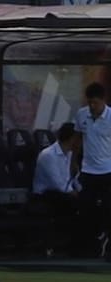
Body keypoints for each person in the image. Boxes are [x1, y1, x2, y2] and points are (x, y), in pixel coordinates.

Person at [73, 82, 111, 261]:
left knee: (108, 207)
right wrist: (74, 162)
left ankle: (106, 244)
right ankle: (88, 246)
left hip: (108, 170)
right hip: (88, 170)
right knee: (85, 209)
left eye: (95, 102)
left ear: (103, 100)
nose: (92, 106)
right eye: (90, 102)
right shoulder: (82, 114)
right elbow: (77, 140)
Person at [31, 122, 80, 256]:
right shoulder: (48, 155)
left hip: (63, 193)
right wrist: (74, 193)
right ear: (72, 139)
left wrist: (81, 190)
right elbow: (58, 183)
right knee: (75, 203)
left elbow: (71, 179)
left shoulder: (69, 154)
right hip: (45, 195)